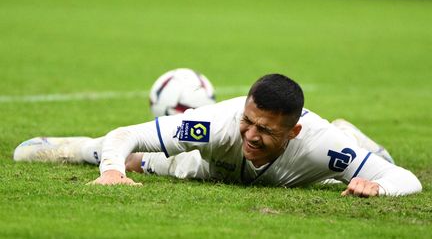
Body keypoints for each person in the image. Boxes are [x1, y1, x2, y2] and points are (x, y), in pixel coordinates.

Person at [14, 74, 422, 197]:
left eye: (266, 129)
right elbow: (126, 134)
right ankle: (75, 147)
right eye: (249, 121)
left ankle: (355, 136)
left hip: (321, 155)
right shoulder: (216, 122)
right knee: (138, 160)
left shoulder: (319, 144)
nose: (252, 134)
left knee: (369, 163)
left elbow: (407, 179)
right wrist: (109, 168)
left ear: (293, 131)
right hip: (206, 165)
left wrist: (378, 187)